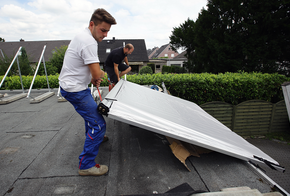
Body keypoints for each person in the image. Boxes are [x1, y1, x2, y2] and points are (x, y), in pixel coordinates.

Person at [58, 8, 116, 176]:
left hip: (72, 85)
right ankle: (86, 165)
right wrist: (100, 75)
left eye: (108, 31)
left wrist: (91, 77)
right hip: (75, 90)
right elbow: (97, 73)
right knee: (99, 124)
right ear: (92, 24)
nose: (105, 34)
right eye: (103, 30)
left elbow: (82, 65)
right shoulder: (89, 41)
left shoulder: (83, 35)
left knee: (92, 116)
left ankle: (95, 135)